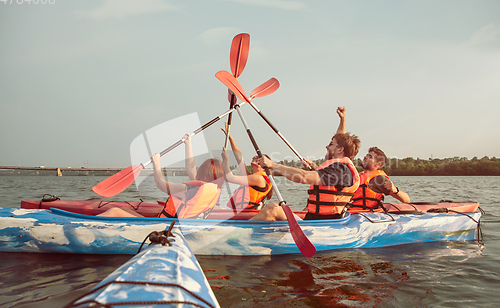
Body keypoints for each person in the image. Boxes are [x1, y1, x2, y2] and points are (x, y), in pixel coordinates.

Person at [249, 123, 361, 221]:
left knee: (273, 212)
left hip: (325, 226)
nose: (327, 146)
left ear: (340, 150)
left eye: (331, 144)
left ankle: (240, 235)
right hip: (312, 221)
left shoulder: (341, 170)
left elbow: (303, 177)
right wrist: (314, 167)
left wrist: (273, 165)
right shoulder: (336, 168)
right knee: (272, 206)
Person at [97, 134, 225, 218]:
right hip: (171, 227)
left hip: (164, 229)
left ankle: (78, 229)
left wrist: (157, 164)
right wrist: (188, 144)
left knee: (114, 212)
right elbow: (190, 168)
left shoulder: (190, 190)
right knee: (124, 211)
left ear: (202, 173)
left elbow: (160, 183)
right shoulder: (212, 190)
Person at [335, 107, 410, 213]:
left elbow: (406, 200)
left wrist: (395, 190)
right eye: (366, 155)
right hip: (349, 215)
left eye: (370, 157)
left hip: (365, 218)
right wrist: (343, 119)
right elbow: (340, 146)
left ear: (378, 164)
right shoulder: (357, 175)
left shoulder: (379, 179)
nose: (365, 157)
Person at [220, 126, 273, 211]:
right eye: (255, 157)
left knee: (210, 208)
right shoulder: (252, 177)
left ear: (265, 167)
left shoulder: (259, 178)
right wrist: (230, 138)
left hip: (246, 214)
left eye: (260, 158)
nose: (256, 157)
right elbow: (239, 158)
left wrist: (226, 160)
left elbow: (229, 178)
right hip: (240, 212)